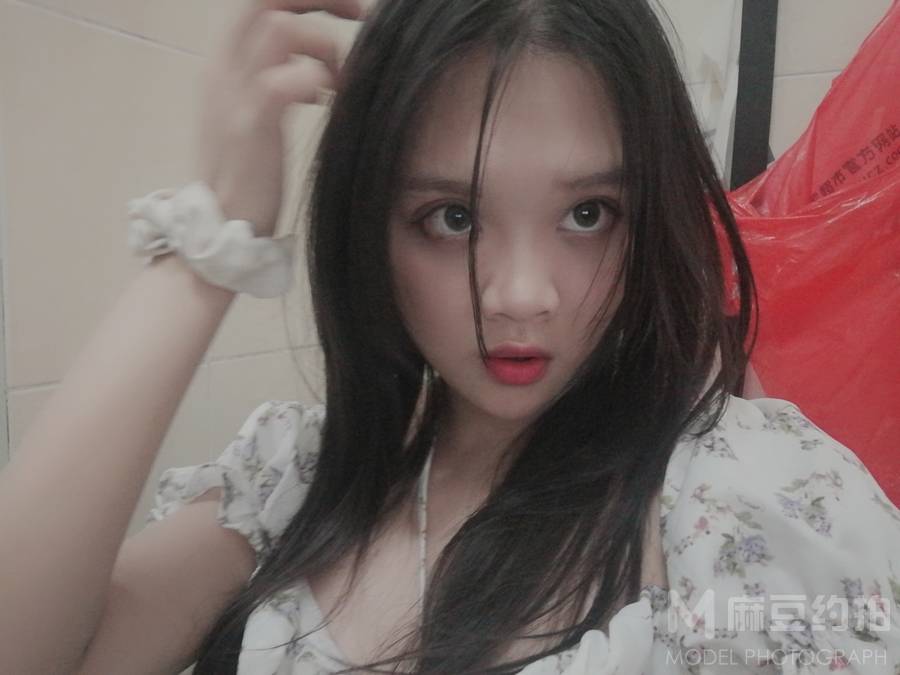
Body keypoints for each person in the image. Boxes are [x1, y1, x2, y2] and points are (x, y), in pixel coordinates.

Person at [0, 0, 897, 673]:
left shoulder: (745, 496)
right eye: (453, 217)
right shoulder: (295, 478)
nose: (520, 296)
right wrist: (209, 250)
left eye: (588, 213)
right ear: (370, 229)